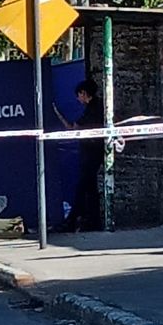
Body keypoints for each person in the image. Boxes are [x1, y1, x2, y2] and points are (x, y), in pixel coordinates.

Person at [54, 79, 103, 232]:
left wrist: (57, 114)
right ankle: (92, 221)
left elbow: (73, 128)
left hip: (91, 153)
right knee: (90, 189)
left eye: (79, 95)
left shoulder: (92, 109)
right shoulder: (98, 107)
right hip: (93, 152)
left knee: (83, 188)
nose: (77, 99)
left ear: (84, 93)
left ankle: (72, 221)